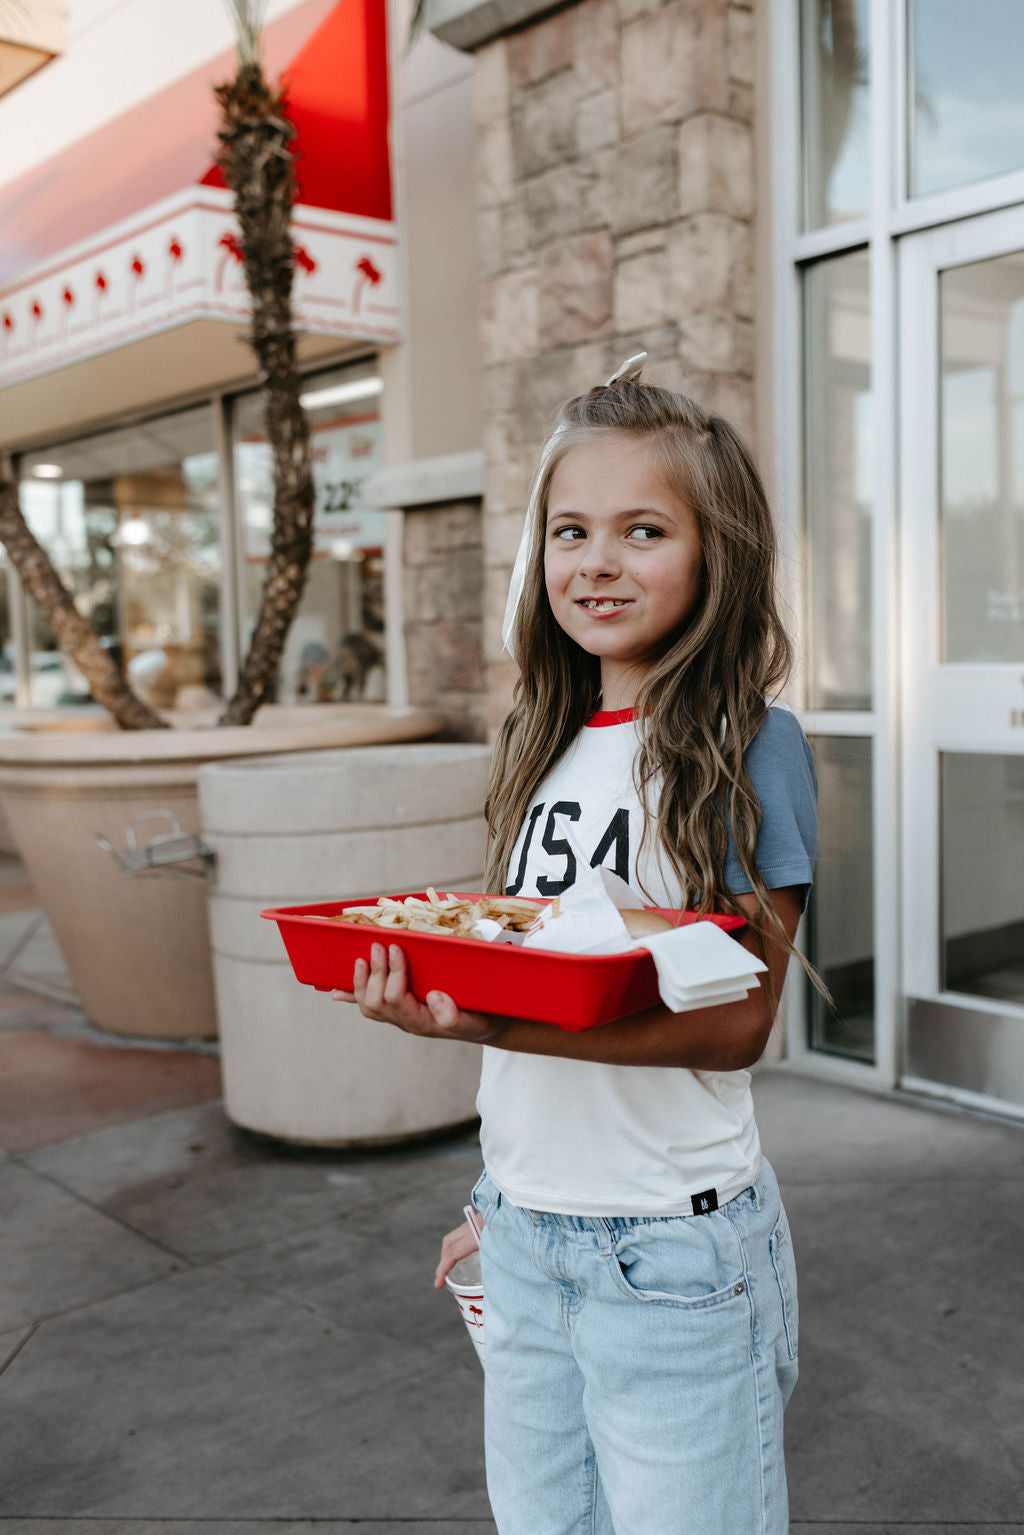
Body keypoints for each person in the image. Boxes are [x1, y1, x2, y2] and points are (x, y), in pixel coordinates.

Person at [334, 355, 818, 1535]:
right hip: (525, 1235)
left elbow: (737, 1020)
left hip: (673, 1257)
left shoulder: (750, 744)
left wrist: (490, 1018)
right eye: (569, 530)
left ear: (716, 553)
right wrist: (499, 1199)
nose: (595, 561)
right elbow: (535, 969)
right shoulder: (538, 741)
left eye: (642, 529)